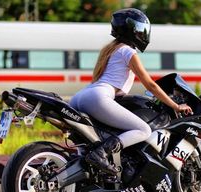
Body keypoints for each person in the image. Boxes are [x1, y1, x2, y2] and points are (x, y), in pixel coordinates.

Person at [69, 8, 192, 176]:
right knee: (143, 130)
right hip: (98, 97)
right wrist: (175, 106)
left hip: (80, 97)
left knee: (93, 140)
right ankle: (102, 153)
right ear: (134, 30)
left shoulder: (110, 50)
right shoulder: (128, 51)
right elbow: (150, 85)